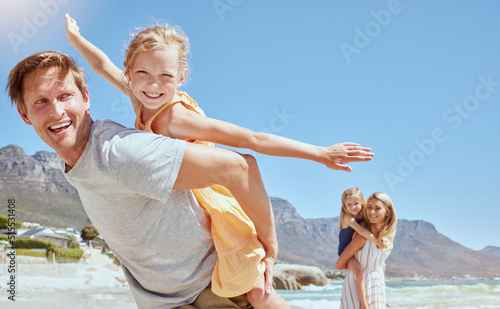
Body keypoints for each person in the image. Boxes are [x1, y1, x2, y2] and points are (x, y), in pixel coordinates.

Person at [64, 13, 375, 308]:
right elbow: (101, 64)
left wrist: (320, 154)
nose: (153, 84)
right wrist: (76, 39)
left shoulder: (175, 117)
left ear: (181, 77)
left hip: (217, 201)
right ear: (129, 72)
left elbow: (251, 141)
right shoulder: (140, 94)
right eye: (142, 73)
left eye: (165, 76)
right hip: (189, 201)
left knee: (256, 290)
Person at [7, 51, 279, 309]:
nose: (56, 111)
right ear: (24, 114)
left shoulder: (119, 151)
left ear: (86, 98)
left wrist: (270, 248)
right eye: (41, 101)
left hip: (216, 294)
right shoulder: (80, 160)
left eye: (65, 96)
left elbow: (241, 169)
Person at [335, 192, 397, 309]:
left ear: (387, 212)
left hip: (376, 288)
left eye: (377, 208)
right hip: (357, 290)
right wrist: (361, 269)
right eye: (369, 207)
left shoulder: (386, 239)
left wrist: (383, 296)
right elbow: (339, 265)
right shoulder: (361, 236)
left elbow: (380, 265)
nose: (372, 212)